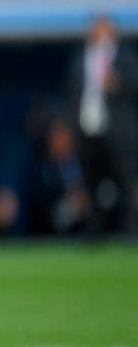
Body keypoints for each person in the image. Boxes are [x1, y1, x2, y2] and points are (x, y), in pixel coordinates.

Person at [65, 16, 138, 238]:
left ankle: (130, 229)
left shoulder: (125, 57)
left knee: (124, 180)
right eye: (94, 29)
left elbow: (134, 86)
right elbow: (72, 95)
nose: (97, 33)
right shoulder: (80, 59)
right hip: (87, 130)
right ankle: (95, 230)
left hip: (117, 131)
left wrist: (117, 84)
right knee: (90, 182)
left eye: (102, 28)